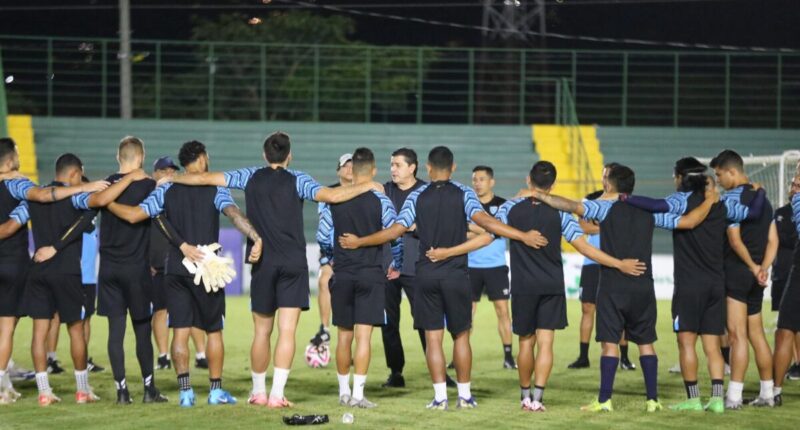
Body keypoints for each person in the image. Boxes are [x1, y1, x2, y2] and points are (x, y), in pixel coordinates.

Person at [165, 132, 383, 408]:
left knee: (261, 332)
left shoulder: (249, 176)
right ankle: (277, 395)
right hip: (293, 263)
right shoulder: (299, 180)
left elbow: (204, 178)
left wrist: (171, 178)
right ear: (289, 155)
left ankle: (258, 392)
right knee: (287, 331)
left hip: (262, 262)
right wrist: (368, 186)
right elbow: (332, 195)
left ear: (264, 155)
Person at [338, 146, 548, 410]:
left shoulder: (417, 196)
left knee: (433, 338)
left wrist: (360, 241)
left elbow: (394, 231)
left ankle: (439, 398)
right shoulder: (464, 194)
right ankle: (464, 396)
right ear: (453, 168)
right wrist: (522, 235)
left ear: (426, 168)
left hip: (425, 273)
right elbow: (488, 224)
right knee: (461, 336)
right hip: (456, 275)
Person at [427, 161, 646, 412]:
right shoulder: (561, 213)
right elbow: (585, 247)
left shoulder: (509, 207)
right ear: (552, 185)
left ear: (528, 180)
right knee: (546, 343)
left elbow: (487, 235)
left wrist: (448, 252)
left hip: (523, 286)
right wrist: (619, 264)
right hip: (551, 285)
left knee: (525, 343)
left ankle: (524, 397)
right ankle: (538, 399)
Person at [528, 163, 718, 413]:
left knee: (609, 344)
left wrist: (539, 194)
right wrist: (710, 200)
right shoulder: (649, 211)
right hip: (643, 284)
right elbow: (689, 222)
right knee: (646, 343)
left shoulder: (605, 208)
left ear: (608, 184)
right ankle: (652, 400)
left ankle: (604, 400)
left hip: (612, 284)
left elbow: (572, 206)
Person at [106, 140, 262, 407]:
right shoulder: (215, 187)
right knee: (214, 331)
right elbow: (233, 213)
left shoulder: (167, 187)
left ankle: (186, 393)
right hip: (207, 269)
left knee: (179, 330)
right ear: (202, 158)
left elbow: (138, 215)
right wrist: (254, 236)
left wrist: (106, 202)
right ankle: (215, 391)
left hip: (176, 268)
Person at [24, 153, 146, 406]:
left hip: (37, 269)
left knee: (39, 333)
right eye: (81, 175)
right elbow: (101, 199)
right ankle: (82, 390)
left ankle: (44, 392)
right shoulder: (76, 197)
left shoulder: (35, 197)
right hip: (66, 271)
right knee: (76, 329)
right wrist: (129, 178)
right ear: (74, 173)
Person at [322, 147, 401, 408]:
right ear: (374, 171)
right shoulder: (381, 199)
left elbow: (323, 235)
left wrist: (331, 257)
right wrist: (396, 262)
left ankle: (343, 393)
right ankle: (358, 395)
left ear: (351, 171)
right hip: (370, 274)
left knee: (344, 335)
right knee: (363, 337)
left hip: (343, 274)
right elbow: (393, 233)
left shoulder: (334, 199)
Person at [710, 149, 779, 408]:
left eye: (719, 175)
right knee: (757, 335)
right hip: (756, 277)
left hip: (738, 272)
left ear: (732, 172)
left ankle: (734, 397)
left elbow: (734, 240)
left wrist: (752, 266)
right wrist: (764, 267)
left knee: (737, 336)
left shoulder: (731, 199)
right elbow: (773, 240)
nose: (717, 180)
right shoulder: (766, 200)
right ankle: (767, 393)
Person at [466, 165, 515, 370]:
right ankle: (461, 353)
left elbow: (505, 232)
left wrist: (475, 230)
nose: (477, 183)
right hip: (470, 266)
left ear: (491, 182)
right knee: (466, 313)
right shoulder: (467, 204)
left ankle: (508, 356)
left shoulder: (503, 205)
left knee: (503, 311)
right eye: (475, 179)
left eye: (482, 179)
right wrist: (491, 229)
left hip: (496, 267)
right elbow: (460, 233)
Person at [309, 153, 353, 355]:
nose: (350, 168)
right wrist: (330, 257)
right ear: (338, 170)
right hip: (334, 252)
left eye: (354, 165)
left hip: (359, 253)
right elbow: (325, 228)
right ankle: (325, 329)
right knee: (324, 280)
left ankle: (348, 342)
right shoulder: (328, 193)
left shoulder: (366, 191)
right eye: (346, 165)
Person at [771, 177, 800, 381]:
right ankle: (774, 390)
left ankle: (772, 392)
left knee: (786, 329)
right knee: (786, 327)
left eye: (799, 185)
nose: (794, 188)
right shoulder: (781, 212)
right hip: (785, 273)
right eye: (793, 184)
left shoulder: (796, 205)